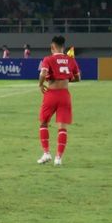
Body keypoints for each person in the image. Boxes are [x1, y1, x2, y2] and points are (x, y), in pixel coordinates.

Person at [37, 35, 79, 166]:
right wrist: (66, 78)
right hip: (64, 95)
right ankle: (58, 158)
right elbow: (78, 78)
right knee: (62, 128)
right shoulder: (70, 60)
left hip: (51, 94)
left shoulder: (48, 59)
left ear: (52, 47)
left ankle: (46, 153)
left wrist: (40, 84)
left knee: (44, 123)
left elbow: (43, 73)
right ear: (63, 47)